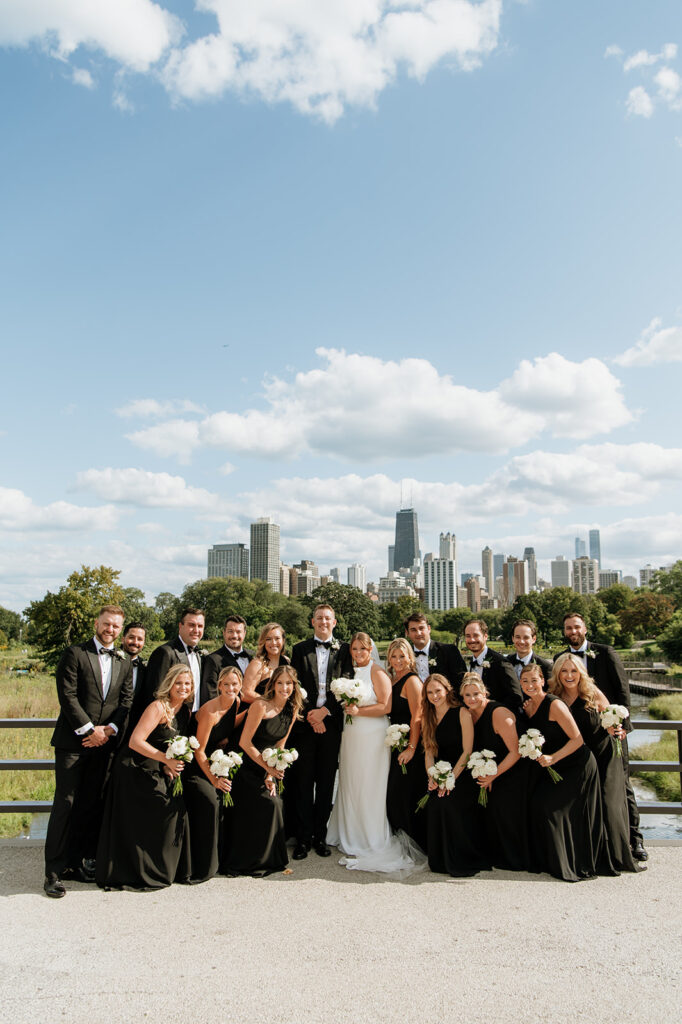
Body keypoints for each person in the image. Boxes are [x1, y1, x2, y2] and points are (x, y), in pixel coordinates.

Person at [43, 605, 133, 898]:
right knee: (65, 805)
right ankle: (53, 872)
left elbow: (126, 702)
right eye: (107, 624)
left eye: (116, 626)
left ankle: (78, 862)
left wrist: (107, 731)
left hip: (104, 744)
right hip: (74, 743)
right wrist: (88, 730)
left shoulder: (124, 661)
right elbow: (67, 695)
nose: (111, 630)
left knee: (91, 804)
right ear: (97, 623)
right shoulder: (75, 653)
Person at [326, 633, 424, 874]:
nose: (359, 653)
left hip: (372, 735)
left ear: (371, 650)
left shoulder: (378, 672)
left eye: (363, 648)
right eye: (355, 649)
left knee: (370, 785)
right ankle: (349, 831)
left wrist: (358, 711)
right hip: (350, 736)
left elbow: (386, 707)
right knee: (351, 782)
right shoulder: (349, 672)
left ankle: (369, 836)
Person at [95, 664, 194, 891]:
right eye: (178, 683)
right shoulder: (158, 707)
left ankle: (164, 865)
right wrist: (165, 760)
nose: (183, 687)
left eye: (187, 684)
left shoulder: (184, 711)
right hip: (135, 766)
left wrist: (169, 764)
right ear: (169, 684)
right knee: (161, 802)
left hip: (158, 765)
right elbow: (135, 741)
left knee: (176, 804)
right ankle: (144, 868)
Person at [556, 611, 645, 862]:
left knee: (620, 786)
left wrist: (622, 727)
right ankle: (594, 843)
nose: (572, 632)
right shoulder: (559, 659)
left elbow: (622, 691)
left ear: (585, 628)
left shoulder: (605, 652)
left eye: (576, 627)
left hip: (608, 733)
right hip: (580, 735)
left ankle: (634, 840)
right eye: (568, 628)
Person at [520, 663, 614, 882]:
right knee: (535, 803)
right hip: (556, 767)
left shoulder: (555, 705)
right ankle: (548, 860)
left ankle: (568, 861)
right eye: (525, 681)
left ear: (543, 680)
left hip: (577, 765)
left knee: (551, 809)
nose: (530, 685)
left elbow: (578, 740)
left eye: (534, 680)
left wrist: (553, 758)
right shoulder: (528, 707)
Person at [221, 664, 302, 877]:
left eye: (289, 683)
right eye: (280, 683)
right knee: (268, 803)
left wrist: (270, 775)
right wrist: (267, 768)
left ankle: (270, 860)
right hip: (244, 764)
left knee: (275, 801)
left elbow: (280, 746)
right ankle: (247, 861)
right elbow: (245, 742)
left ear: (294, 686)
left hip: (265, 767)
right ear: (273, 685)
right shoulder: (260, 706)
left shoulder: (292, 709)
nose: (285, 688)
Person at [287, 603, 353, 859]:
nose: (323, 622)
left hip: (332, 726)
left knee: (326, 784)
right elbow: (295, 686)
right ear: (312, 621)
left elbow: (347, 683)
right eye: (319, 618)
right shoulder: (300, 649)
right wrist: (311, 716)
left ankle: (320, 837)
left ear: (334, 622)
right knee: (304, 783)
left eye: (328, 618)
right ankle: (303, 839)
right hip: (305, 727)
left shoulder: (345, 650)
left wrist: (325, 713)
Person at [182, 666, 248, 883]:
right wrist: (215, 780)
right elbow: (199, 751)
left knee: (235, 799)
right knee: (211, 800)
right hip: (195, 765)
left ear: (240, 686)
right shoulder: (210, 711)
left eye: (235, 684)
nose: (231, 688)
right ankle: (204, 864)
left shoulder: (236, 703)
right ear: (219, 686)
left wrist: (254, 708)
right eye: (226, 684)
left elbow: (231, 721)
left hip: (214, 760)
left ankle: (227, 857)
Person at [420, 673, 490, 877]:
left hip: (462, 771)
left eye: (438, 691)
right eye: (430, 692)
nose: (434, 696)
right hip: (440, 771)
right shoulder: (428, 717)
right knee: (433, 803)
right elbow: (429, 752)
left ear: (447, 690)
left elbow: (467, 751)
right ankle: (440, 860)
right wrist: (432, 777)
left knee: (447, 803)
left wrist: (450, 779)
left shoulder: (462, 713)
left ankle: (460, 857)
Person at [460, 673, 530, 872]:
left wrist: (493, 775)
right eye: (467, 695)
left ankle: (511, 856)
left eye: (476, 694)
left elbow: (516, 752)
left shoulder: (499, 713)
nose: (472, 699)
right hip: (489, 769)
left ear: (485, 692)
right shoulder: (468, 714)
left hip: (512, 769)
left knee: (500, 804)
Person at [384, 638, 426, 848]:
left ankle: (410, 843)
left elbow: (417, 717)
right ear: (389, 659)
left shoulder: (412, 682)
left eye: (402, 656)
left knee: (401, 796)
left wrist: (411, 748)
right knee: (394, 795)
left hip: (409, 748)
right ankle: (396, 838)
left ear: (410, 657)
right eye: (394, 656)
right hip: (395, 746)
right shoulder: (392, 680)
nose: (398, 660)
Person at [140, 608, 205, 715]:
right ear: (180, 626)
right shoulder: (165, 652)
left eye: (200, 626)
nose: (196, 630)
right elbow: (154, 694)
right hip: (169, 720)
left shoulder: (200, 655)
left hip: (194, 719)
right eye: (191, 625)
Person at [463, 619, 523, 715]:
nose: (472, 640)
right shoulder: (471, 662)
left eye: (475, 635)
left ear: (485, 636)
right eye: (468, 636)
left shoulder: (501, 662)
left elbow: (515, 697)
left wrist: (495, 714)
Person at [201, 614, 254, 704]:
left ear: (244, 633)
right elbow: (211, 696)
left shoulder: (253, 657)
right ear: (224, 632)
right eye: (230, 631)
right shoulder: (213, 660)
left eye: (238, 632)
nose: (234, 635)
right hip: (228, 715)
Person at [403, 612, 466, 686]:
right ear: (407, 632)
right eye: (413, 630)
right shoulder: (404, 655)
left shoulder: (449, 651)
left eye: (421, 628)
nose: (418, 633)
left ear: (429, 629)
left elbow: (462, 682)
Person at [242, 622, 289, 703]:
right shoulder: (257, 664)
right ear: (263, 642)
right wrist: (270, 702)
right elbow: (245, 694)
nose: (273, 643)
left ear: (283, 640)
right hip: (260, 712)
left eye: (277, 638)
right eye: (268, 639)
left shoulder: (287, 662)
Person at [505, 619, 552, 684]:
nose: (521, 641)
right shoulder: (505, 662)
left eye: (526, 637)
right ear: (513, 638)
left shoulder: (545, 667)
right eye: (518, 637)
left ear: (534, 639)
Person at [121, 622, 146, 694]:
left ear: (144, 643)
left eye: (140, 639)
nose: (135, 642)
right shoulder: (111, 660)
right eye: (131, 637)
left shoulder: (145, 668)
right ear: (123, 639)